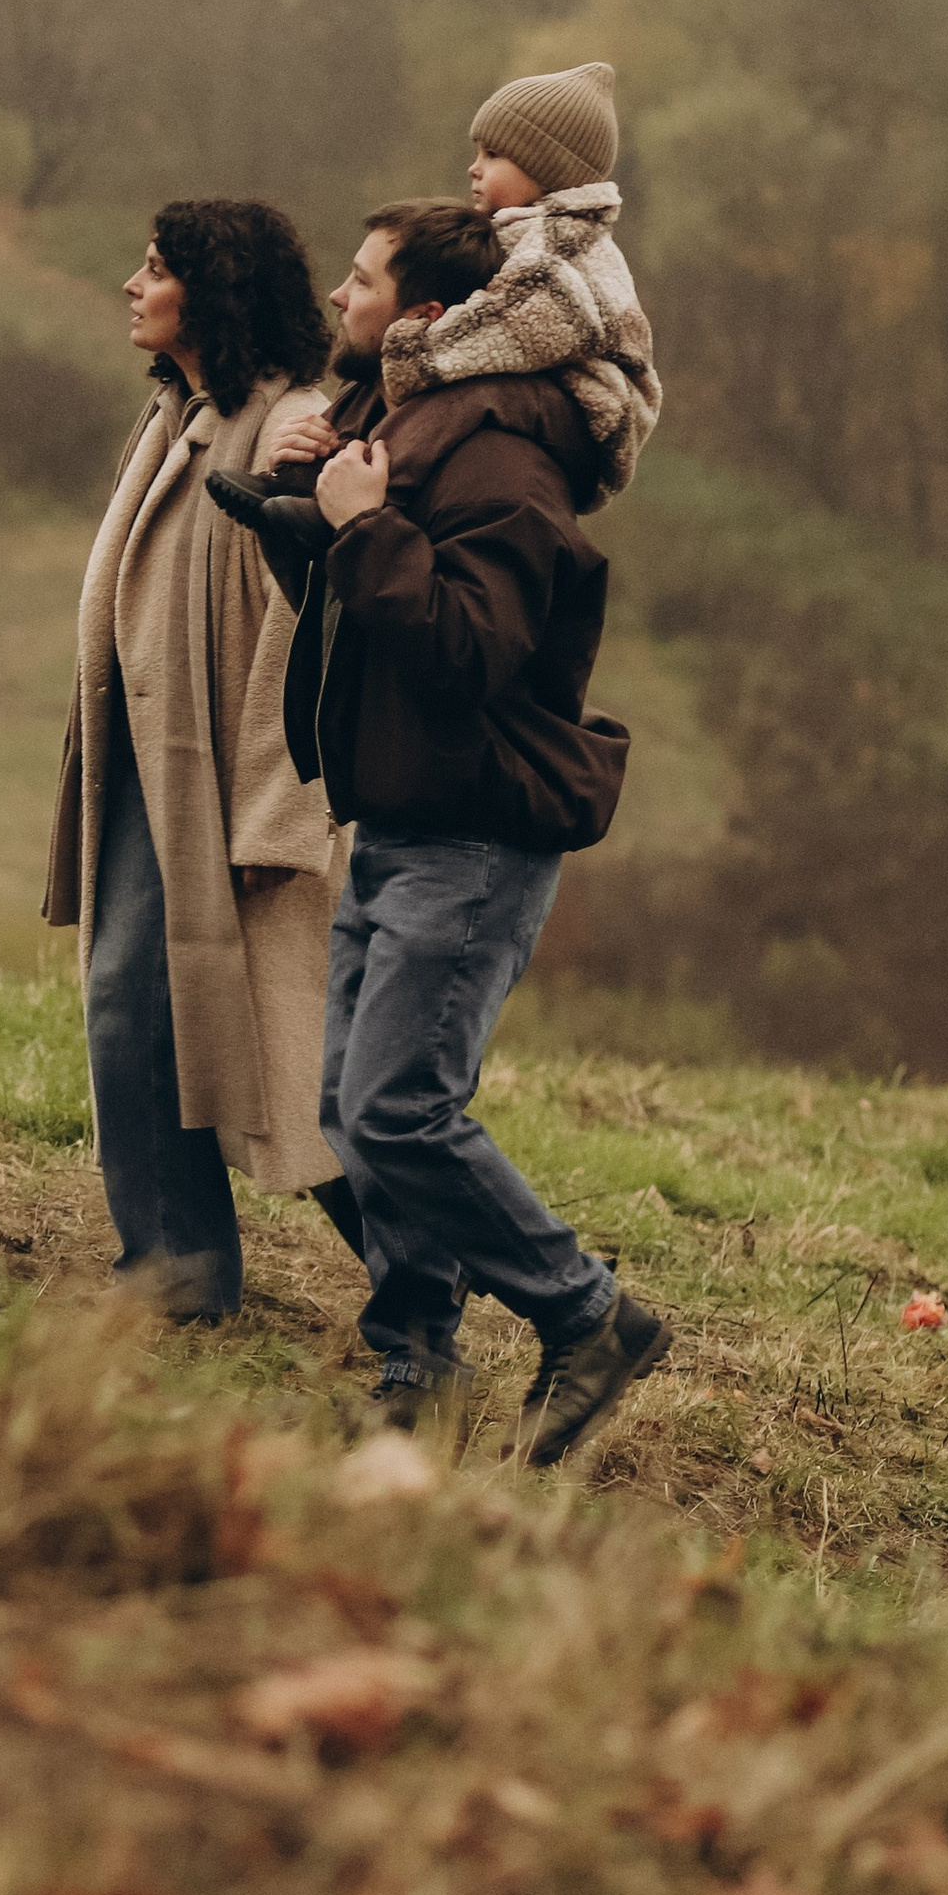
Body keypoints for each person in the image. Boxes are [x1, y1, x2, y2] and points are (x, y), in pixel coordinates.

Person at [210, 111, 669, 1465]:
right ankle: (416, 1359)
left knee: (401, 1106)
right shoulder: (421, 424)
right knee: (355, 1108)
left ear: (434, 308)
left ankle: (591, 1318)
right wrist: (316, 516)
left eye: (361, 278)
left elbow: (469, 649)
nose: (340, 299)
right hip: (404, 812)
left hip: (475, 831)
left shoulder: (507, 457)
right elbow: (373, 611)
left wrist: (365, 523)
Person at [43, 198, 364, 1323]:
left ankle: (441, 1272)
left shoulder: (290, 425)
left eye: (154, 269)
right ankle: (174, 1271)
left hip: (227, 790)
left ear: (209, 292)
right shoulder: (181, 413)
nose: (133, 286)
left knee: (290, 1050)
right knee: (133, 1008)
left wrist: (279, 813)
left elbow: (307, 622)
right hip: (150, 763)